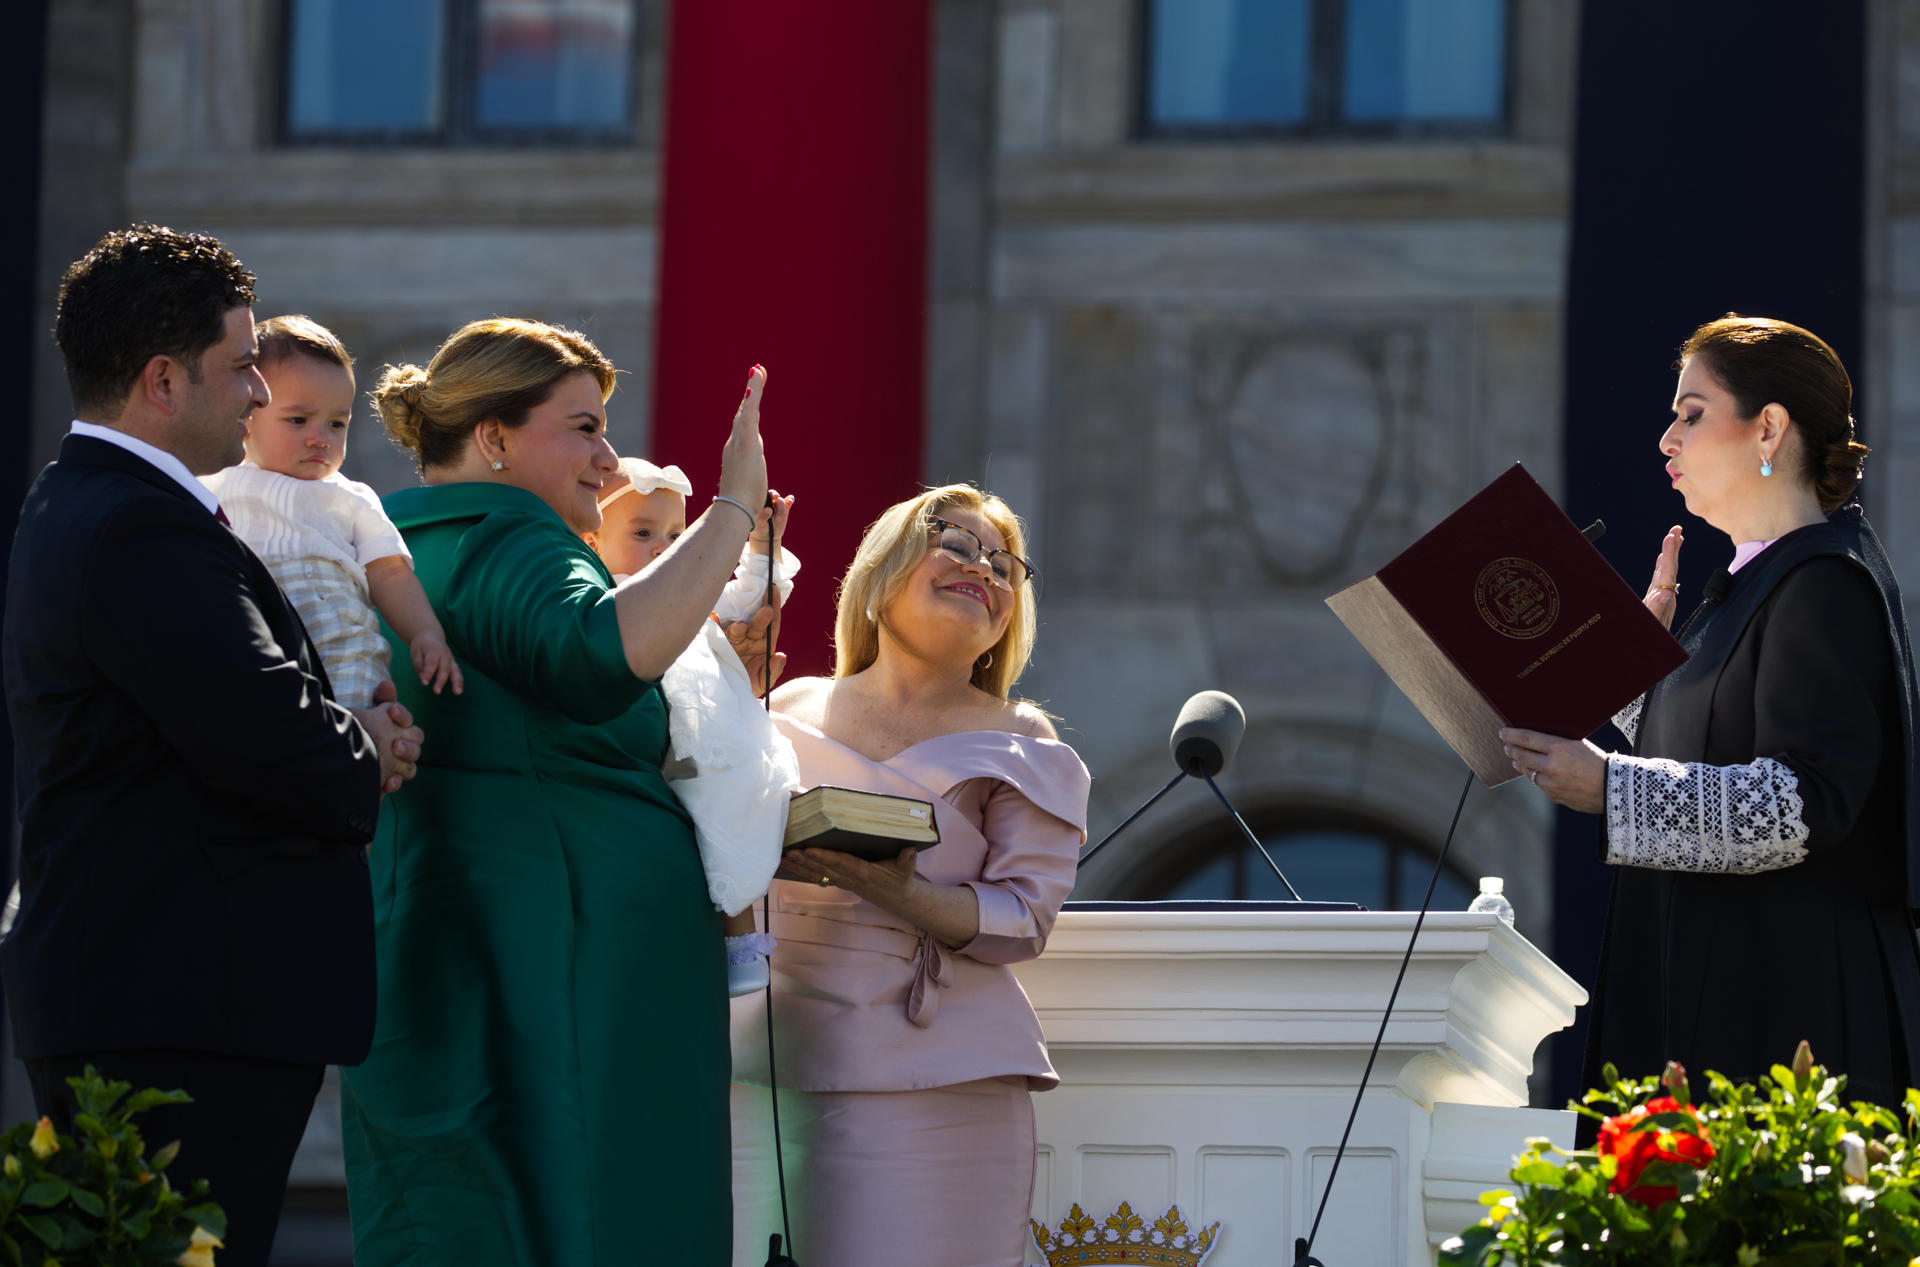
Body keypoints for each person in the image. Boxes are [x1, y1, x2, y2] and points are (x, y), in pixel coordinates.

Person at [0, 225, 423, 1267]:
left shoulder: (95, 502)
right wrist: (366, 741)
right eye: (239, 366)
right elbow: (268, 734)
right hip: (178, 1009)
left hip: (155, 995)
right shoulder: (140, 525)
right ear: (160, 378)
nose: (253, 393)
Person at [338, 319, 775, 1267]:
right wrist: (733, 511)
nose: (611, 461)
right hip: (571, 973)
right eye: (583, 428)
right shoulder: (513, 538)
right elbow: (590, 656)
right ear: (494, 438)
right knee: (599, 1222)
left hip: (450, 945)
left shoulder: (401, 548)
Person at [1500, 315, 1920, 1108]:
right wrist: (1636, 672)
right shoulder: (1746, 585)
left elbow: (1799, 804)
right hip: (1721, 1006)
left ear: (1768, 427)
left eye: (1692, 413)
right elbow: (1707, 750)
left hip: (1789, 1031)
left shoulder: (1825, 582)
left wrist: (1612, 788)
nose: (1666, 438)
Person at [730, 484, 1091, 1267]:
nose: (984, 570)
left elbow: (1025, 919)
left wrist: (900, 894)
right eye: (956, 544)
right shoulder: (783, 701)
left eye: (1005, 565)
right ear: (883, 568)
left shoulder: (1023, 737)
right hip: (765, 1063)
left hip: (941, 1081)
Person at [582, 457, 800, 995]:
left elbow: (745, 604)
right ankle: (733, 942)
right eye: (642, 533)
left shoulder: (691, 594)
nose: (664, 546)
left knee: (733, 808)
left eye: (677, 534)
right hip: (656, 738)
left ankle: (740, 945)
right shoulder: (600, 596)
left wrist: (760, 551)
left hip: (710, 735)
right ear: (592, 540)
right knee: (701, 821)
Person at [204, 314, 462, 706]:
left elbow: (389, 572)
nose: (320, 438)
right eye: (298, 420)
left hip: (344, 656)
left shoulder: (350, 498)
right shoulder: (218, 484)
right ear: (247, 414)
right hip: (257, 650)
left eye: (337, 424)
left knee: (353, 738)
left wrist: (426, 633)